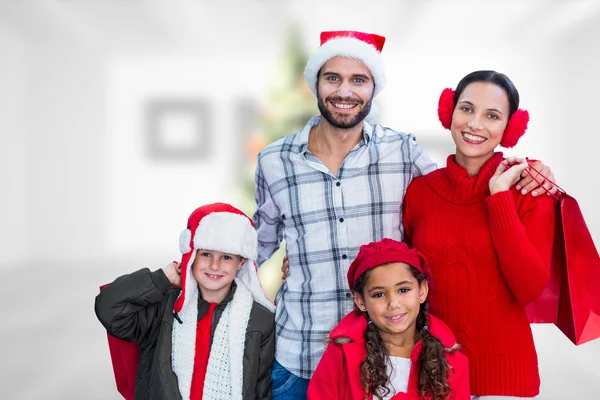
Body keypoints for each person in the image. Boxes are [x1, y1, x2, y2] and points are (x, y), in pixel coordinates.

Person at [254, 31, 555, 399]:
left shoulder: (401, 151)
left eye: (358, 80)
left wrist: (531, 169)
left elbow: (461, 190)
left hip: (383, 361)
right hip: (300, 355)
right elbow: (255, 246)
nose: (345, 91)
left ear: (373, 89)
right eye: (333, 78)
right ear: (315, 84)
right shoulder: (274, 160)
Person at [403, 70, 556, 399]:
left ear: (509, 127)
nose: (475, 124)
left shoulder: (530, 190)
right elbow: (407, 280)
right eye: (467, 109)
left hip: (505, 380)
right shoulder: (419, 192)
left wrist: (499, 197)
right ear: (450, 112)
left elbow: (528, 287)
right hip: (433, 373)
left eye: (492, 116)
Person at [95, 203, 275, 400]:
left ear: (241, 262)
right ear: (192, 257)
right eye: (206, 254)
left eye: (226, 257)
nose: (215, 265)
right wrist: (161, 278)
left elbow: (261, 390)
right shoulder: (164, 308)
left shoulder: (259, 320)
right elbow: (109, 308)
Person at [308, 239, 470, 400]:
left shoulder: (450, 361)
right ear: (361, 301)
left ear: (422, 290)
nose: (393, 303)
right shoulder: (340, 354)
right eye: (378, 294)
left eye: (403, 290)